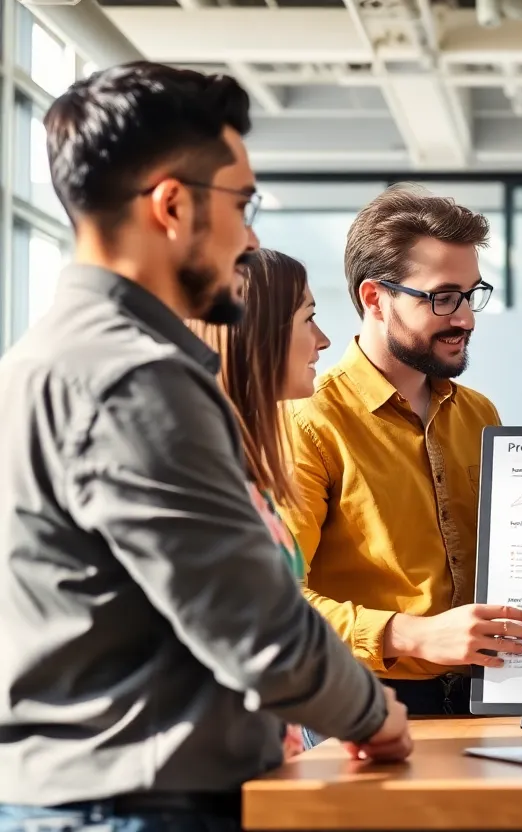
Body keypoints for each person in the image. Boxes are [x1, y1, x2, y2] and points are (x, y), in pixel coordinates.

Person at [0, 62, 409, 829]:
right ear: (173, 205)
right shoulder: (135, 378)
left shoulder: (42, 359)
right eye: (241, 204)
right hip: (141, 806)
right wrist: (374, 714)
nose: (248, 236)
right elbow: (256, 625)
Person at [276, 185, 522, 739]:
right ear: (375, 298)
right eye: (443, 298)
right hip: (367, 707)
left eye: (472, 295)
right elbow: (275, 603)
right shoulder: (309, 422)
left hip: (492, 699)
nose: (465, 319)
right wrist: (413, 635)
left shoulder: (480, 413)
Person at [189, 248, 333, 759]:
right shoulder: (204, 472)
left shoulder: (246, 467)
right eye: (308, 319)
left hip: (268, 758)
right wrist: (366, 712)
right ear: (260, 333)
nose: (323, 340)